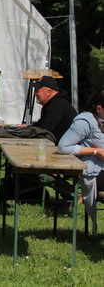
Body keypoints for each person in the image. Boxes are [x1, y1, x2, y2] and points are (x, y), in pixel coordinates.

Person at [58, 87, 104, 234]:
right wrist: (95, 151)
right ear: (99, 108)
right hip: (96, 171)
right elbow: (63, 147)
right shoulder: (86, 121)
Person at [32, 75, 78, 142]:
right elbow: (42, 124)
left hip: (63, 146)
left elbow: (44, 130)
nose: (35, 93)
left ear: (49, 92)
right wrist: (26, 128)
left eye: (37, 90)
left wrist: (27, 131)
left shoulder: (57, 105)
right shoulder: (54, 103)